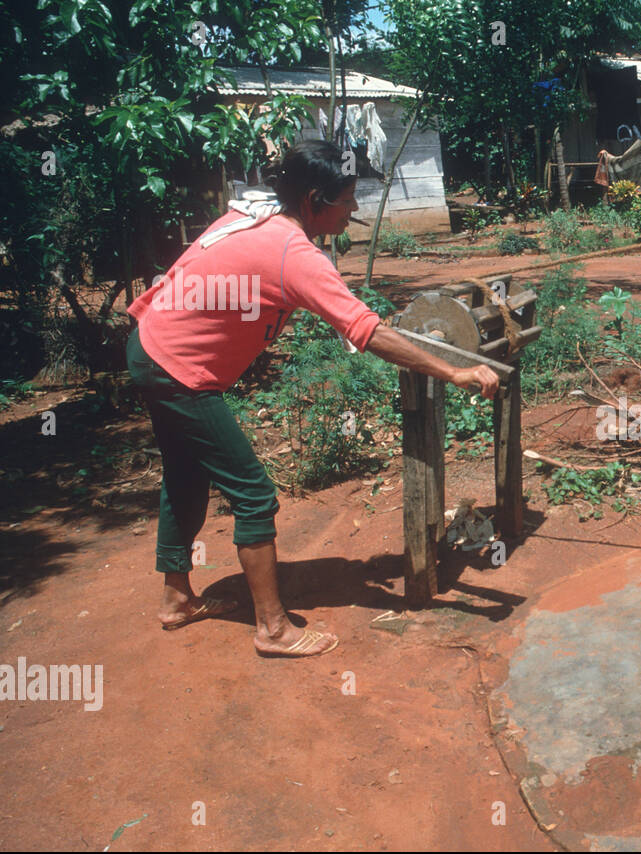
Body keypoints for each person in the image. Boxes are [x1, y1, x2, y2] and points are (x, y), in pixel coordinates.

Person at [126, 139, 498, 658]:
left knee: (186, 476)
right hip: (178, 371)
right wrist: (453, 370)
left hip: (151, 347)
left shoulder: (261, 216)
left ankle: (176, 600)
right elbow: (366, 331)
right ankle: (273, 630)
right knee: (254, 495)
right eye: (347, 199)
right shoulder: (293, 254)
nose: (354, 210)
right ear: (314, 201)